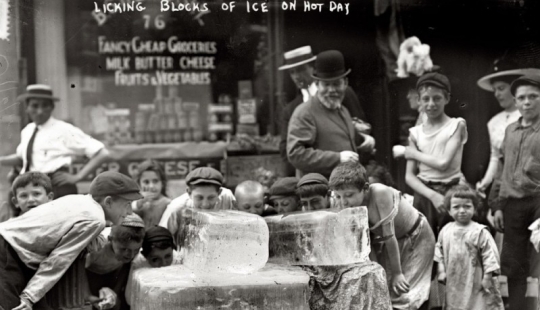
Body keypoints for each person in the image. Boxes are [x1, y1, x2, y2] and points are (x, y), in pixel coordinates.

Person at [0, 171, 141, 310]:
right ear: (108, 201)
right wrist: (29, 296)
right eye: (127, 204)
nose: (129, 212)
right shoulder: (95, 218)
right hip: (6, 250)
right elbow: (60, 258)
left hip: (15, 251)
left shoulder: (82, 201)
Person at [330, 161, 435, 310]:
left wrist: (397, 273)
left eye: (349, 195)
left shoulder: (380, 193)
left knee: (406, 294)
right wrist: (378, 273)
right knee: (386, 294)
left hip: (417, 237)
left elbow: (389, 236)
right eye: (338, 196)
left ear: (365, 188)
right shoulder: (345, 206)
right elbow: (367, 243)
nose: (343, 202)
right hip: (393, 244)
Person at [0, 84, 110, 199]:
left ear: (52, 107)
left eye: (45, 106)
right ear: (27, 108)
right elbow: (24, 158)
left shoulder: (64, 129)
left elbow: (103, 153)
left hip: (56, 188)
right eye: (34, 106)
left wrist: (78, 176)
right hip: (33, 188)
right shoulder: (28, 130)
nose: (40, 111)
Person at [278, 46, 370, 176]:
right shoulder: (303, 111)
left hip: (346, 187)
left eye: (336, 84)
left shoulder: (343, 111)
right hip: (320, 190)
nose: (332, 90)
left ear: (345, 83)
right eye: (326, 85)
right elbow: (295, 154)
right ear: (317, 84)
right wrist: (337, 158)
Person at [492, 75, 540, 310]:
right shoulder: (510, 130)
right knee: (514, 263)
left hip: (539, 201)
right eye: (522, 98)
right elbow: (504, 170)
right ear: (516, 102)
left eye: (533, 96)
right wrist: (499, 205)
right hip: (513, 203)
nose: (527, 102)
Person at [404, 72, 468, 237]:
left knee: (452, 242)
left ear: (447, 98)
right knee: (423, 244)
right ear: (419, 101)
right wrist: (432, 195)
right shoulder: (415, 133)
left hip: (451, 192)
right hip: (424, 194)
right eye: (426, 99)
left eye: (437, 98)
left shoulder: (456, 125)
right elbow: (409, 176)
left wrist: (412, 153)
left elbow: (443, 163)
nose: (431, 104)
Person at [435, 184, 504, 310]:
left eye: (467, 206)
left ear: (474, 209)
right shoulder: (446, 231)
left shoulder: (480, 232)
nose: (462, 210)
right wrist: (441, 271)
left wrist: (487, 278)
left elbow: (490, 256)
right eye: (456, 207)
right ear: (449, 210)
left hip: (476, 279)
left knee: (478, 304)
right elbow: (439, 253)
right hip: (455, 279)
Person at [159, 167, 235, 245]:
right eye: (199, 198)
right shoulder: (176, 208)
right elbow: (160, 239)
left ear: (219, 193)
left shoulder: (227, 198)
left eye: (211, 198)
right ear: (189, 192)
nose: (205, 204)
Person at [86, 213, 145, 310]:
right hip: (89, 276)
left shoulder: (130, 253)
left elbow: (126, 268)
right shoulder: (97, 245)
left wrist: (115, 293)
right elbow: (79, 270)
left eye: (136, 250)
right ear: (110, 240)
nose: (130, 255)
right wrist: (88, 295)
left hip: (113, 275)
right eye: (123, 249)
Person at [125, 226, 182, 306]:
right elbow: (130, 299)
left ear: (173, 250)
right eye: (155, 259)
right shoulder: (139, 263)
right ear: (145, 257)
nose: (164, 264)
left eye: (168, 256)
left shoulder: (178, 260)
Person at [132, 159, 171, 229]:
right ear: (139, 184)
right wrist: (139, 203)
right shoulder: (138, 204)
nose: (151, 186)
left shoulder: (168, 204)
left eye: (155, 181)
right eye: (146, 182)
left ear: (162, 183)